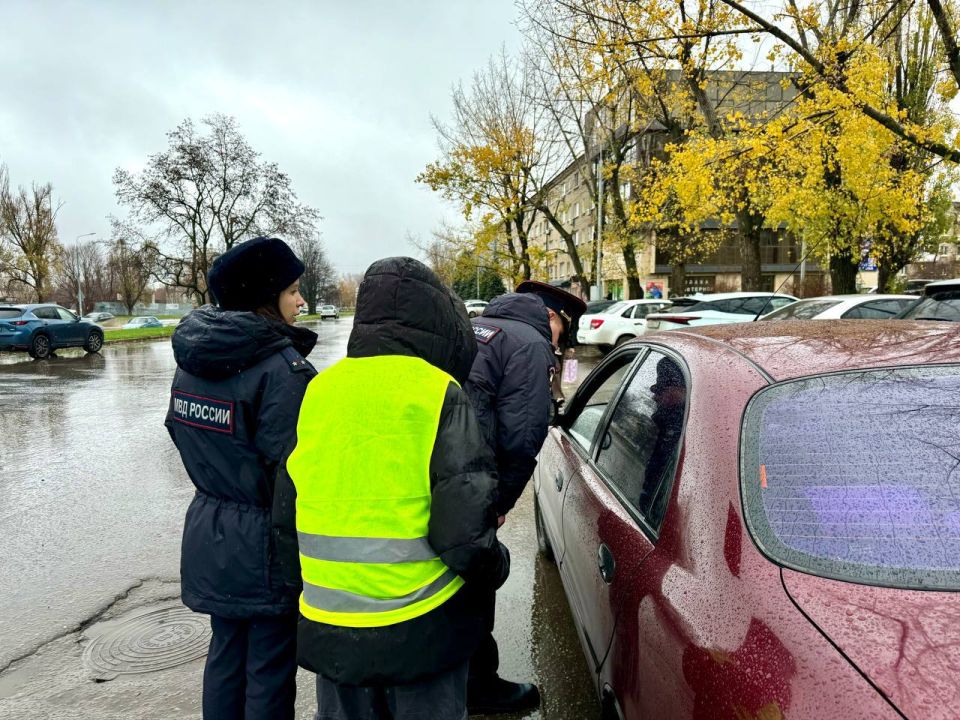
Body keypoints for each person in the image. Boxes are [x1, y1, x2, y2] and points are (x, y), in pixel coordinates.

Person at [275, 256, 510, 720]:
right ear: (439, 321)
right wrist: (496, 565)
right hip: (422, 623)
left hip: (331, 619)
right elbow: (464, 534)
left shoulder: (320, 390)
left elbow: (286, 511)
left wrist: (301, 594)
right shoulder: (439, 391)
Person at [165, 236, 317, 720]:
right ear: (264, 297)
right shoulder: (283, 371)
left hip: (211, 533)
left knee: (226, 656)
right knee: (269, 666)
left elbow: (179, 432)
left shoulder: (193, 362)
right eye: (292, 291)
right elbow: (296, 471)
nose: (301, 301)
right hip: (267, 542)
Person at [463, 279, 586, 715]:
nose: (559, 343)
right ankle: (479, 686)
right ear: (552, 317)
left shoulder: (477, 326)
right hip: (477, 482)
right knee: (477, 584)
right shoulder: (530, 344)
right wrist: (501, 503)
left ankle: (457, 676)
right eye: (562, 331)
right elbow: (521, 438)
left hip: (445, 475)